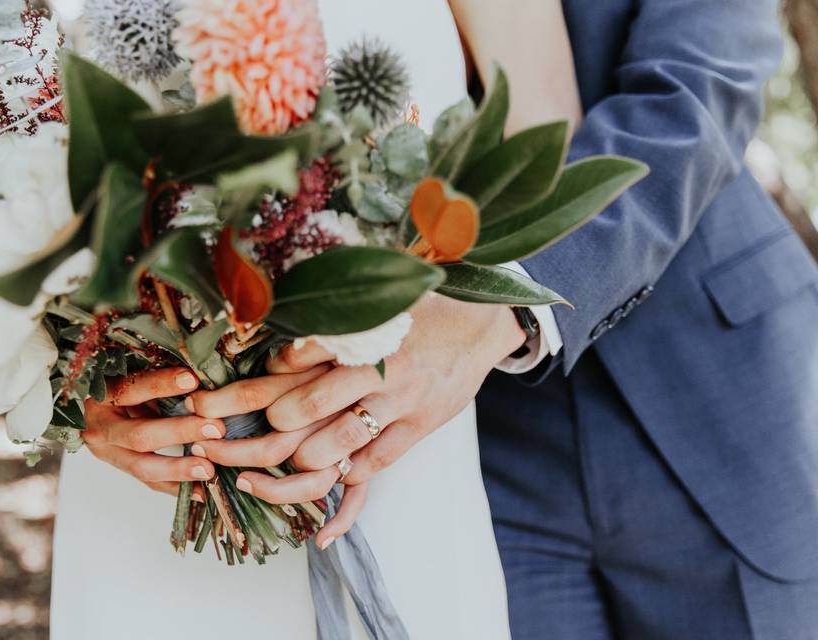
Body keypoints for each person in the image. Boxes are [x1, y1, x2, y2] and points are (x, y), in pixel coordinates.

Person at [51, 1, 582, 638]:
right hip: (143, 493)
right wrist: (75, 382)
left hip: (397, 455)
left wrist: (465, 319)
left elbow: (547, 153)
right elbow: (13, 179)